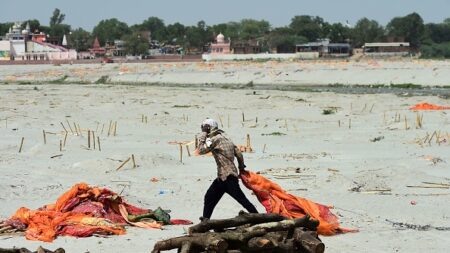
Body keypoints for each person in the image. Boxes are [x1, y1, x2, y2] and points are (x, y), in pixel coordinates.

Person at [197, 118, 258, 221]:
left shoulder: (215, 139)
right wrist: (241, 167)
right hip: (224, 177)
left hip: (227, 178)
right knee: (209, 197)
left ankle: (259, 218)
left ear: (208, 128)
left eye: (204, 128)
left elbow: (201, 150)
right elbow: (238, 153)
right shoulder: (226, 138)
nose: (204, 130)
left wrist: (203, 134)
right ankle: (205, 222)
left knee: (242, 200)